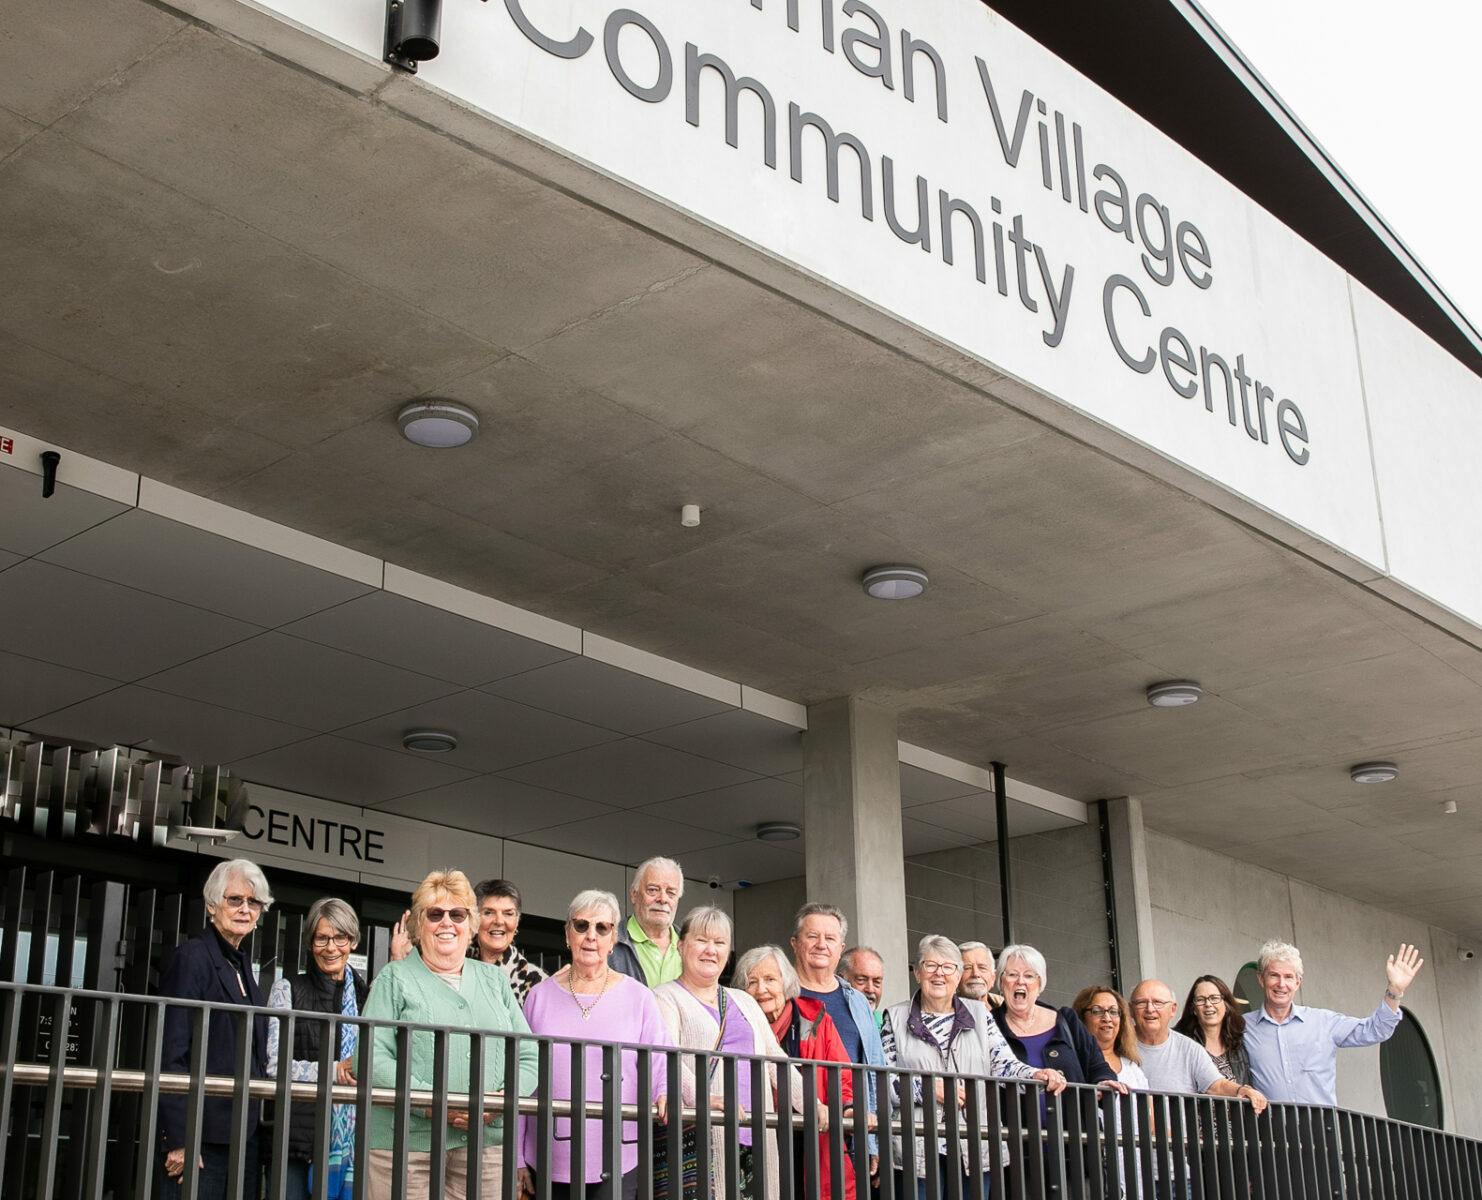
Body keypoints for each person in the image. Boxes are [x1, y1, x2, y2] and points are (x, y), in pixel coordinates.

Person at [360, 868, 538, 1200]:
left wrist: (502, 1101)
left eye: (457, 914)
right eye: (435, 913)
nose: (446, 923)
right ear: (417, 924)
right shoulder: (393, 978)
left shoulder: (494, 981)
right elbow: (370, 1057)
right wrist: (435, 1103)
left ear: (470, 924)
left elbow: (529, 1053)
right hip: (406, 1145)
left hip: (485, 1144)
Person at [881, 936, 1065, 1200]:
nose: (939, 974)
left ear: (958, 976)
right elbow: (883, 1081)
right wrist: (927, 1090)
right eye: (930, 965)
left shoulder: (980, 1014)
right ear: (917, 972)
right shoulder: (895, 1018)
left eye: (948, 967)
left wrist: (1035, 1074)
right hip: (916, 1147)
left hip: (974, 1144)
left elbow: (1004, 1064)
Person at [521, 889, 671, 1200]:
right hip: (548, 1153)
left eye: (602, 928)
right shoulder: (539, 996)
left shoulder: (639, 996)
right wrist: (518, 1157)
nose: (591, 936)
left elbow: (660, 1056)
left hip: (618, 1153)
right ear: (567, 934)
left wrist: (664, 1090)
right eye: (582, 926)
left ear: (613, 937)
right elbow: (522, 1073)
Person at [654, 907, 792, 1200]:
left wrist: (815, 1104)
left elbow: (775, 1060)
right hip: (706, 1134)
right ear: (681, 945)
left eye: (720, 943)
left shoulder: (743, 1000)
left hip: (757, 1136)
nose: (710, 950)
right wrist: (701, 1099)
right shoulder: (665, 996)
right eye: (702, 940)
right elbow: (667, 1054)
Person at [156, 858, 273, 1199]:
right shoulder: (193, 958)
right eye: (235, 899)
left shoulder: (241, 965)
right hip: (200, 1136)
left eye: (253, 903)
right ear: (212, 905)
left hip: (241, 1135)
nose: (245, 909)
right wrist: (179, 1138)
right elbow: (170, 1053)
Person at [266, 897, 370, 1200]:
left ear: (352, 941)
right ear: (311, 942)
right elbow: (274, 1065)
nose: (331, 947)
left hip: (354, 1145)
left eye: (340, 937)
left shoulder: (369, 997)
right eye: (322, 938)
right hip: (297, 1142)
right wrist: (334, 1071)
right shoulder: (287, 990)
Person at [1242, 939, 1424, 1106]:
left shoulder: (1323, 1022)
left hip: (1323, 1132)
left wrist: (1395, 991)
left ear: (1298, 982)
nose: (1281, 984)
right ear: (1261, 979)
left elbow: (1375, 1030)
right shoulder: (1243, 1027)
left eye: (1289, 977)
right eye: (1274, 975)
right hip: (1272, 1136)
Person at [736, 945, 855, 1200]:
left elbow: (842, 1072)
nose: (761, 989)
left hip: (810, 1138)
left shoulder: (815, 1018)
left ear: (786, 982)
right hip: (757, 1136)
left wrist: (847, 1106)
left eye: (769, 979)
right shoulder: (737, 1023)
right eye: (751, 982)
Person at [790, 904, 884, 1177]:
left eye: (830, 939)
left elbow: (874, 1072)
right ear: (795, 943)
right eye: (812, 936)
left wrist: (872, 1142)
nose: (821, 945)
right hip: (792, 1130)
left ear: (840, 947)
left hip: (849, 1133)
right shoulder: (781, 995)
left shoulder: (857, 1001)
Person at [991, 944, 1120, 1088]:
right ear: (1001, 983)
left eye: (1029, 975)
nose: (1020, 981)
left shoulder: (1067, 1020)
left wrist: (1103, 1082)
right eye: (1012, 974)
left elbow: (1097, 1067)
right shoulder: (990, 1025)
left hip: (1071, 1111)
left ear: (1040, 984)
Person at [1128, 979, 1267, 1112]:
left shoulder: (1189, 1049)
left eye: (1158, 1002)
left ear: (1172, 1009)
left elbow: (1216, 1084)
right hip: (1129, 1135)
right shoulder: (1119, 1046)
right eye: (1141, 1003)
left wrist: (1242, 1090)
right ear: (1131, 1010)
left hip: (1181, 1136)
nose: (1150, 1009)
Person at [611, 857, 685, 987]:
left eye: (671, 893)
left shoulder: (690, 946)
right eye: (653, 890)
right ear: (634, 895)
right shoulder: (609, 942)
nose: (663, 899)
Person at [471, 878, 547, 1003]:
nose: (499, 921)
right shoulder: (455, 969)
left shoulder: (537, 983)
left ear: (517, 922)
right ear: (474, 918)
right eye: (489, 912)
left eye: (508, 914)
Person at [1173, 975, 1249, 1086]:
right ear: (1194, 1009)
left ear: (1226, 1005)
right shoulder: (1181, 1043)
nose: (1208, 1004)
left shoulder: (1240, 1043)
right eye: (1200, 1000)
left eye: (1214, 998)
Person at [1071, 987, 1146, 1090]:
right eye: (1097, 1011)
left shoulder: (1132, 1068)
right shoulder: (1073, 1063)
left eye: (1113, 1012)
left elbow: (1148, 1105)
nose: (1107, 1018)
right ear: (1081, 1018)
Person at [840, 945, 886, 1022]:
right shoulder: (828, 1022)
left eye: (876, 982)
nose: (870, 989)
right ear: (841, 980)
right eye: (861, 980)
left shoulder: (887, 1024)